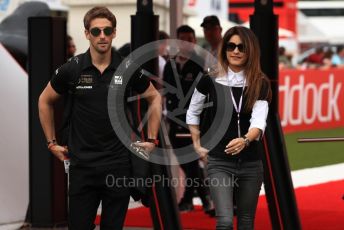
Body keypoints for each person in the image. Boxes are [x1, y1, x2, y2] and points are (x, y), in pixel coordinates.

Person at [38, 6, 161, 229]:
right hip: (81, 166)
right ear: (87, 34)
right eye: (96, 31)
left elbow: (154, 97)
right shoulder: (72, 69)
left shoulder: (127, 67)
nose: (102, 36)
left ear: (114, 33)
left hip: (118, 165)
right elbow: (44, 101)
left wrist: (151, 140)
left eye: (107, 30)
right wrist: (51, 143)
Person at [186, 26, 271, 229]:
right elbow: (192, 111)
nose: (236, 51)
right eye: (231, 46)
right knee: (224, 221)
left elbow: (259, 122)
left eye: (242, 47)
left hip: (251, 162)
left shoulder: (260, 83)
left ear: (251, 51)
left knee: (245, 222)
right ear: (224, 49)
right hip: (219, 161)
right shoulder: (209, 80)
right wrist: (197, 145)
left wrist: (245, 140)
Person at [163, 25, 213, 214]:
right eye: (183, 39)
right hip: (174, 120)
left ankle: (195, 199)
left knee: (192, 159)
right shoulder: (171, 64)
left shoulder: (202, 63)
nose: (187, 43)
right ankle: (199, 198)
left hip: (196, 121)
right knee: (184, 160)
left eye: (190, 39)